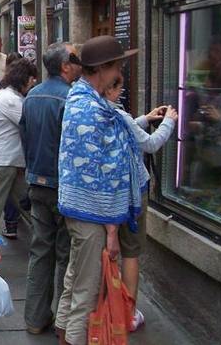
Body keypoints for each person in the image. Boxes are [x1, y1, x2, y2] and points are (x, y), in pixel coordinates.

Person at [55, 35, 142, 345]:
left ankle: (63, 333)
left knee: (74, 280)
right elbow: (103, 172)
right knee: (87, 292)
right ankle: (73, 339)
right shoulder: (92, 109)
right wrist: (112, 228)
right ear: (103, 68)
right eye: (117, 66)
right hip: (91, 213)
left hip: (79, 209)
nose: (119, 71)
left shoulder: (81, 99)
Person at [104, 75, 177, 331]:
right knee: (130, 252)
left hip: (108, 194)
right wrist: (169, 122)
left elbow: (126, 129)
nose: (121, 94)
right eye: (119, 89)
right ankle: (128, 314)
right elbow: (150, 144)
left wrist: (146, 119)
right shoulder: (117, 114)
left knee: (110, 252)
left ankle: (110, 308)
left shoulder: (96, 112)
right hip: (132, 192)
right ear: (110, 89)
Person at [20, 42, 81, 335]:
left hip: (37, 182)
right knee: (66, 254)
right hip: (62, 186)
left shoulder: (32, 95)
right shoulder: (70, 98)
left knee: (40, 251)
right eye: (76, 57)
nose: (80, 62)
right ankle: (62, 323)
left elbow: (25, 137)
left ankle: (35, 318)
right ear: (65, 66)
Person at [0, 59, 37, 240]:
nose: (33, 83)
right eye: (31, 78)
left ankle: (43, 238)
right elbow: (31, 124)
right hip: (3, 162)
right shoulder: (10, 100)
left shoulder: (7, 96)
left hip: (11, 162)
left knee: (27, 204)